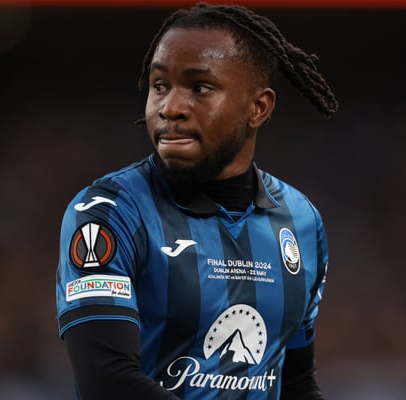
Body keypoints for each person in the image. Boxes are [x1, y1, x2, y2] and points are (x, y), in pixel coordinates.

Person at [55, 3, 338, 399]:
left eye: (200, 88)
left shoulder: (300, 221)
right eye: (159, 86)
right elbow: (108, 383)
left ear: (258, 108)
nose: (170, 108)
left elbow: (294, 384)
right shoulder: (108, 213)